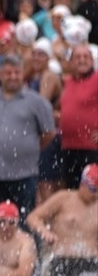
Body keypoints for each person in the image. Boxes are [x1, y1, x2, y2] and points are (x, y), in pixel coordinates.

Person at [0, 54, 56, 225]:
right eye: (8, 73)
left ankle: (31, 251)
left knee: (26, 221)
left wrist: (29, 147)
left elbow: (49, 133)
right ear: (0, 75)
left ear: (22, 73)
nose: (13, 77)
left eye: (17, 72)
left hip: (24, 174)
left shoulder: (36, 101)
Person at [27, 164, 98, 276]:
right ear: (83, 183)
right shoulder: (64, 198)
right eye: (93, 189)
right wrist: (46, 233)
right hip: (63, 262)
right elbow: (33, 217)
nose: (96, 195)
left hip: (92, 263)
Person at [57, 46, 98, 188]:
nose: (82, 60)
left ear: (92, 60)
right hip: (69, 148)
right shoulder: (67, 82)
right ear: (71, 62)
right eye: (78, 57)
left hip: (92, 149)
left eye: (85, 57)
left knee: (92, 195)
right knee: (72, 194)